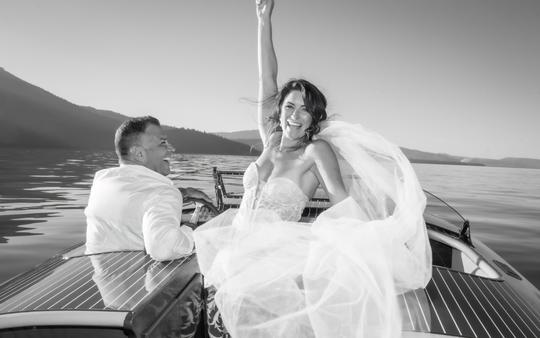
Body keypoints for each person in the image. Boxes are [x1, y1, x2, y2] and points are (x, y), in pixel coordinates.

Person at [194, 0, 432, 337]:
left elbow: (342, 201)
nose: (294, 115)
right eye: (289, 106)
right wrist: (263, 20)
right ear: (279, 110)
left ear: (314, 117)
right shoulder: (272, 139)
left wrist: (373, 242)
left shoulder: (316, 151)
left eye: (304, 110)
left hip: (274, 257)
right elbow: (267, 77)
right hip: (236, 247)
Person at [85, 116, 211, 261]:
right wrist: (191, 227)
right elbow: (164, 249)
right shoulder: (163, 193)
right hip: (141, 281)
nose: (172, 150)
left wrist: (184, 193)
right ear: (139, 153)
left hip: (99, 277)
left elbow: (135, 197)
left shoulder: (102, 182)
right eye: (163, 143)